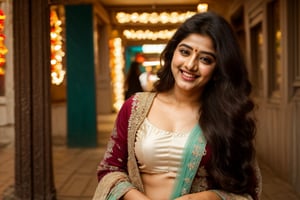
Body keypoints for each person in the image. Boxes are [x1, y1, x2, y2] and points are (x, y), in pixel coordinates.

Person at [93, 11, 262, 200]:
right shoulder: (135, 108)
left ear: (218, 69)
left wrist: (203, 198)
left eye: (205, 59)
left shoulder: (227, 117)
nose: (190, 65)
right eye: (185, 52)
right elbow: (109, 169)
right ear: (173, 52)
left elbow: (248, 190)